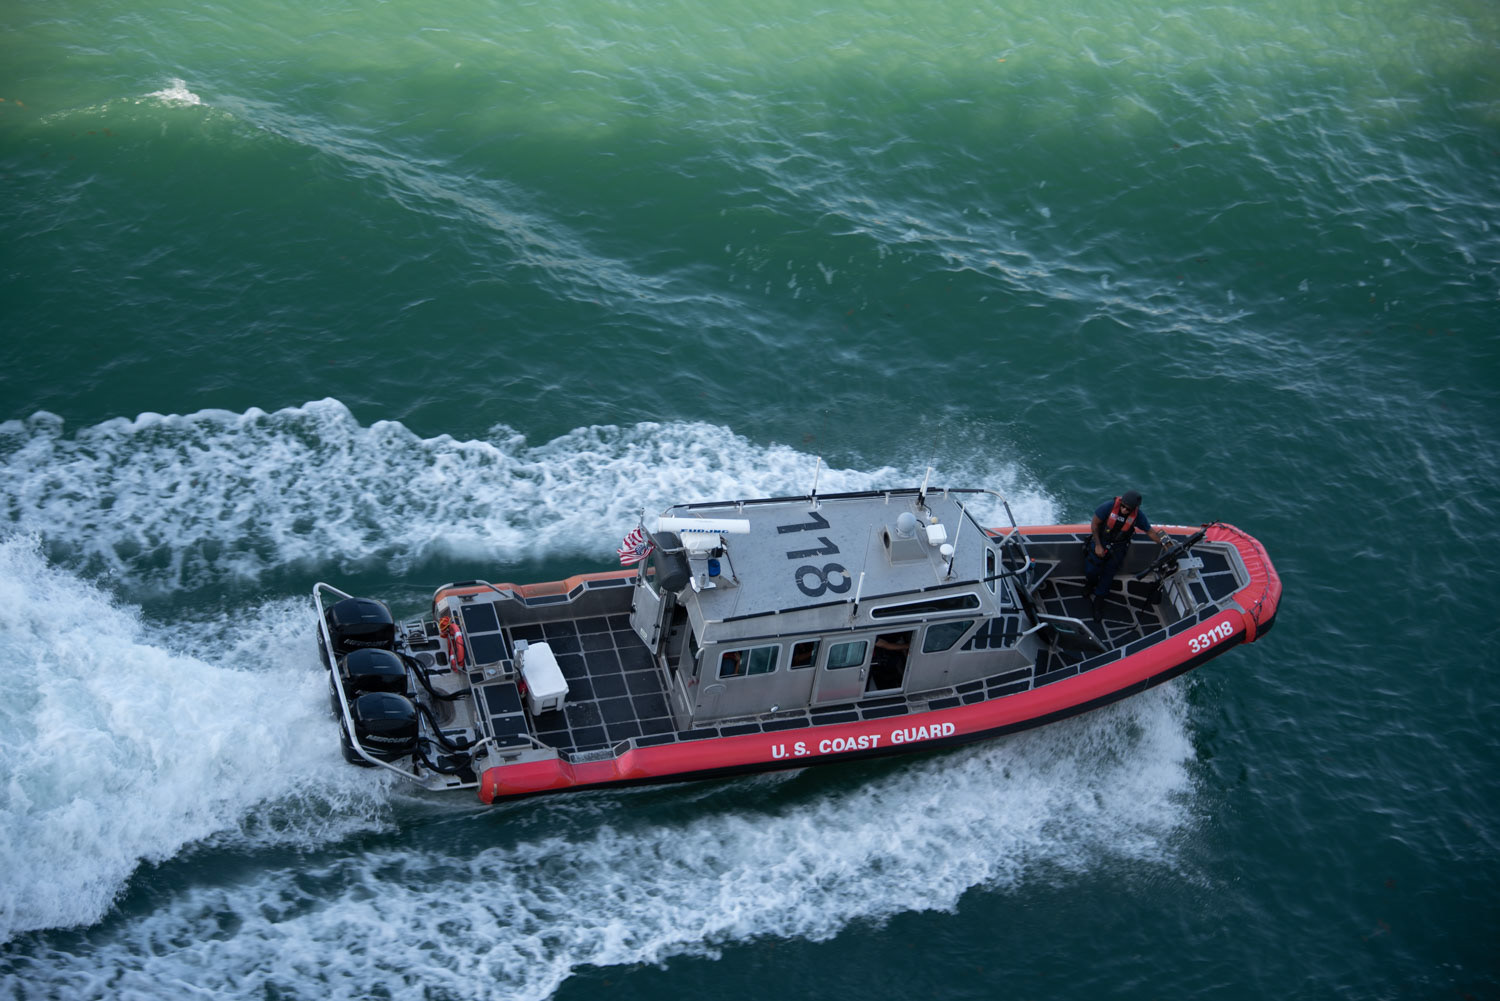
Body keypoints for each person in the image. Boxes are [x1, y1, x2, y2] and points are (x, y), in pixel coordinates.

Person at [1083, 490, 1173, 622]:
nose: (1124, 510)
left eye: (1128, 509)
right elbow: (1095, 523)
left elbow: (1150, 532)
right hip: (1101, 541)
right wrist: (1097, 545)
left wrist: (1166, 543)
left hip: (1118, 548)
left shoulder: (1138, 516)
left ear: (1134, 509)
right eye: (1123, 506)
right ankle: (1089, 585)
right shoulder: (1108, 507)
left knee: (1108, 575)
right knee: (1091, 569)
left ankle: (1099, 600)